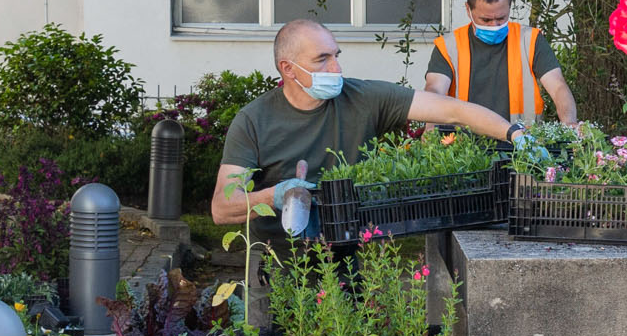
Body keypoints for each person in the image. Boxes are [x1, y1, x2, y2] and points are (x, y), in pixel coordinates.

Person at [212, 17, 528, 240]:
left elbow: (455, 110)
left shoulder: (363, 98)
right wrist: (277, 194)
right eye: (322, 59)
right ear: (288, 69)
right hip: (276, 265)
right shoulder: (254, 120)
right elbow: (223, 208)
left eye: (336, 56)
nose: (335, 68)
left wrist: (514, 134)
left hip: (347, 257)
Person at [424, 0, 578, 125]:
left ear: (510, 6)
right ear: (468, 10)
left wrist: (570, 123)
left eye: (501, 18)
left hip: (523, 143)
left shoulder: (530, 40)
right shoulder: (448, 46)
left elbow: (558, 87)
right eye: (486, 20)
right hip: (464, 146)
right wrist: (430, 130)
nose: (494, 25)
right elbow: (434, 90)